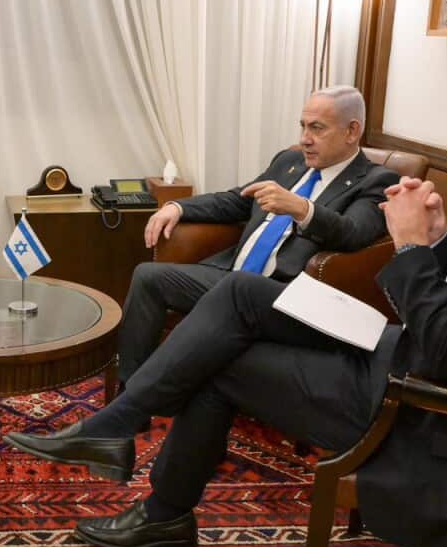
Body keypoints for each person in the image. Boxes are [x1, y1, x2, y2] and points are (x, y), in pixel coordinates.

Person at [5, 74, 447, 547]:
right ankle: (120, 435)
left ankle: (153, 492)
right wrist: (441, 241)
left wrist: (411, 248)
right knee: (238, 298)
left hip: (429, 408)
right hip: (405, 354)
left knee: (219, 357)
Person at [116, 85, 398, 385]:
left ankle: (157, 391)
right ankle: (128, 388)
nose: (305, 139)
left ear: (352, 131)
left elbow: (354, 232)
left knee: (228, 301)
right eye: (303, 126)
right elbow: (238, 200)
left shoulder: (377, 181)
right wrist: (179, 207)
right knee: (147, 277)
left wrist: (302, 209)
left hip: (280, 293)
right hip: (230, 275)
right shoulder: (289, 162)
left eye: (317, 128)